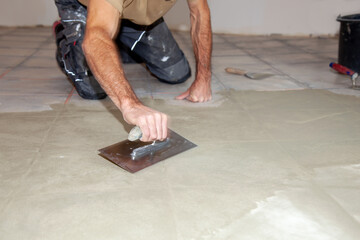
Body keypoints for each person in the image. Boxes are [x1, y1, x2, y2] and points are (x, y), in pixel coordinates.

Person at [54, 0, 212, 142]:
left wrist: (203, 78)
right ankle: (68, 40)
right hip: (84, 7)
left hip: (133, 13)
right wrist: (130, 104)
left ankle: (116, 39)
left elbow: (199, 13)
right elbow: (96, 36)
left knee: (177, 73)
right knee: (93, 89)